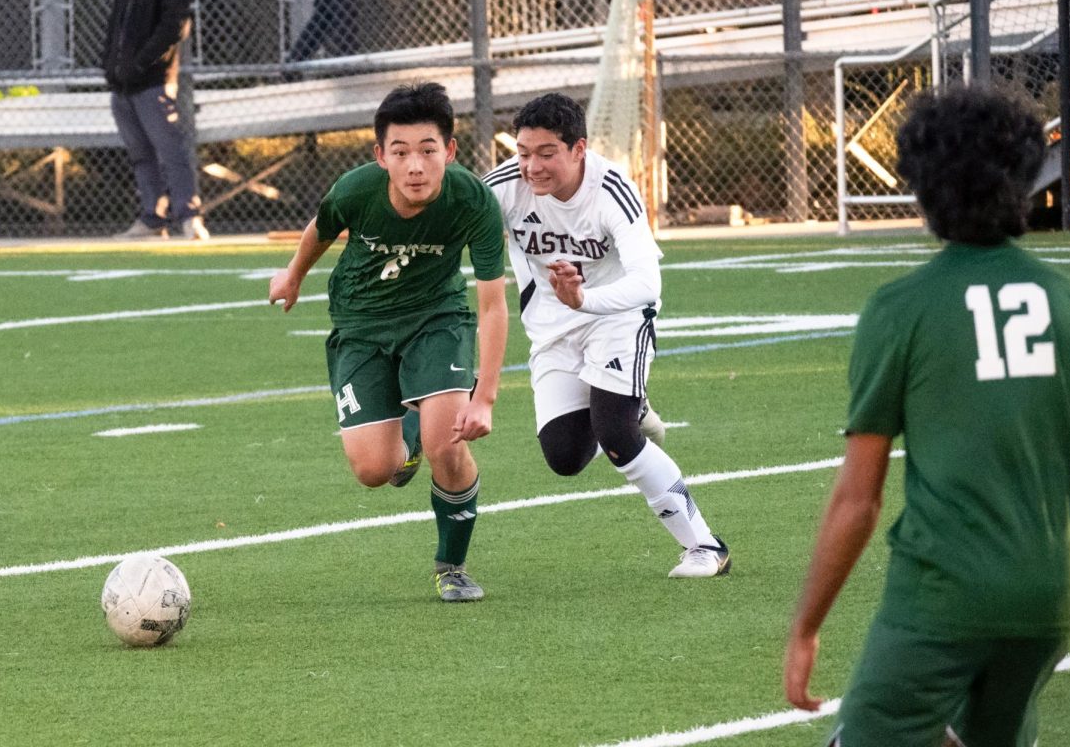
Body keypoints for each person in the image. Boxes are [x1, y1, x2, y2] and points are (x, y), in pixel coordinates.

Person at [783, 85, 1070, 745]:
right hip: (1049, 596)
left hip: (941, 596)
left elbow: (859, 498)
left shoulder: (901, 309)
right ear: (1026, 181)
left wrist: (805, 627)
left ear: (921, 188)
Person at [268, 83, 508, 602]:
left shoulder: (474, 201)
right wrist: (293, 276)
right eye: (400, 153)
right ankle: (413, 429)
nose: (415, 166)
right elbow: (321, 227)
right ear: (381, 156)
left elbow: (491, 304)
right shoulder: (356, 190)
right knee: (375, 471)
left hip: (436, 319)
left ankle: (452, 565)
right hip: (360, 324)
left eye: (427, 150)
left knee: (450, 444)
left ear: (449, 150)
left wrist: (484, 398)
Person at [483, 93, 730, 579]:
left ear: (579, 148)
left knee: (615, 434)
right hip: (552, 327)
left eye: (547, 153)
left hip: (617, 315)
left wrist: (585, 301)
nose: (532, 166)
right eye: (523, 152)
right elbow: (445, 222)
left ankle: (705, 547)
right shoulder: (500, 189)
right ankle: (629, 406)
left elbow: (647, 283)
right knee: (564, 457)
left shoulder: (612, 188)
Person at [102, 0, 207, 241]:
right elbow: (115, 29)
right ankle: (153, 216)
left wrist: (139, 64)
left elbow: (171, 29)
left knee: (171, 151)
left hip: (153, 82)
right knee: (139, 154)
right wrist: (110, 67)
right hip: (122, 84)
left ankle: (189, 216)